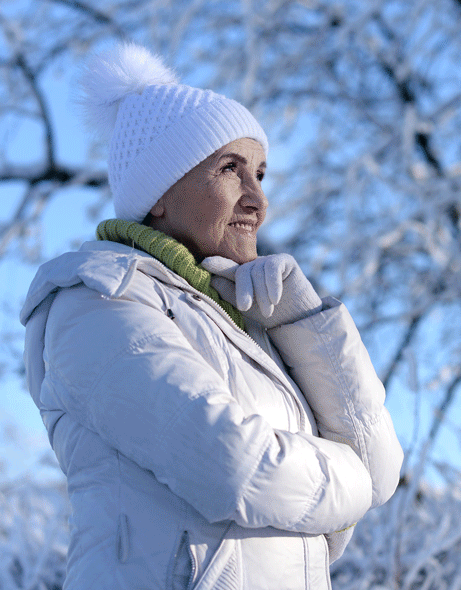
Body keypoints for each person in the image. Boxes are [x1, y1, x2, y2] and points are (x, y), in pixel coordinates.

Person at [20, 43, 403, 590]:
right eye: (230, 169)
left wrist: (302, 322)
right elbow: (234, 467)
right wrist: (352, 483)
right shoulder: (95, 303)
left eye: (261, 173)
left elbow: (381, 468)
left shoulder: (241, 320)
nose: (257, 200)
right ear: (158, 195)